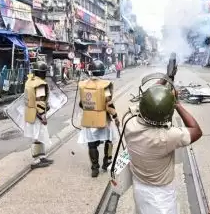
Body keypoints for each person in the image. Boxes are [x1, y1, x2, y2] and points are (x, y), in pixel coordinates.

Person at [123, 78, 202, 214]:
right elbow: (196, 130)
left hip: (139, 186)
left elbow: (146, 101)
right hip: (161, 196)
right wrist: (177, 104)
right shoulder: (167, 137)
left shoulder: (128, 121)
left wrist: (165, 78)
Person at [77, 60, 120, 177]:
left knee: (91, 144)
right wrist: (115, 117)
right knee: (109, 139)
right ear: (102, 70)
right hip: (103, 119)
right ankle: (107, 162)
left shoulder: (83, 85)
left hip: (88, 119)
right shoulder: (105, 86)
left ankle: (94, 168)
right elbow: (109, 104)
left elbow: (81, 104)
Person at [24, 61, 54, 169]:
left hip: (30, 112)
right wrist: (43, 116)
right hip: (37, 114)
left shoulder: (30, 81)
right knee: (37, 137)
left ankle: (42, 157)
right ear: (42, 73)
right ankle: (37, 161)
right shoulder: (40, 84)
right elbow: (40, 101)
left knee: (39, 136)